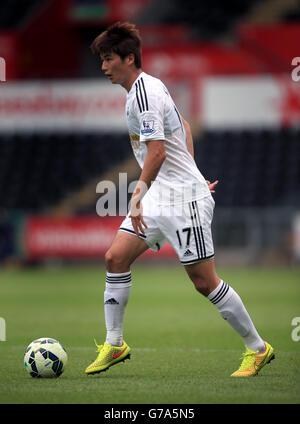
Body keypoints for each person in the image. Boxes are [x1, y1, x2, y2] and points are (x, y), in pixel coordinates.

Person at [85, 21, 274, 377]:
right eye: (102, 60)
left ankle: (258, 348)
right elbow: (183, 126)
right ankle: (115, 343)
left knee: (205, 283)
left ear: (129, 58)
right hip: (162, 197)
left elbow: (156, 152)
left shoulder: (143, 93)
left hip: (183, 201)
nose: (103, 66)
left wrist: (140, 196)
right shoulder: (145, 89)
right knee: (115, 257)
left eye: (109, 59)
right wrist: (189, 171)